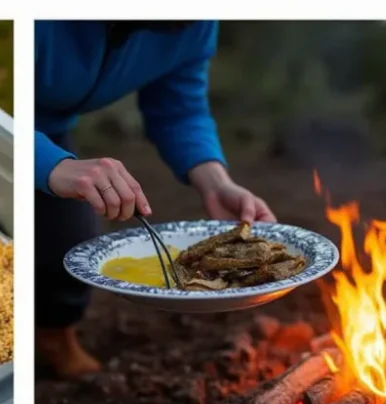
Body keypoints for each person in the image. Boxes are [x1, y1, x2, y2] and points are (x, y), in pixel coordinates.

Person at [35, 20, 277, 378]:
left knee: (66, 245)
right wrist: (46, 162)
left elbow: (179, 109)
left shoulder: (195, 23)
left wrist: (215, 181)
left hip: (52, 129)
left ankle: (53, 337)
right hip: (9, 121)